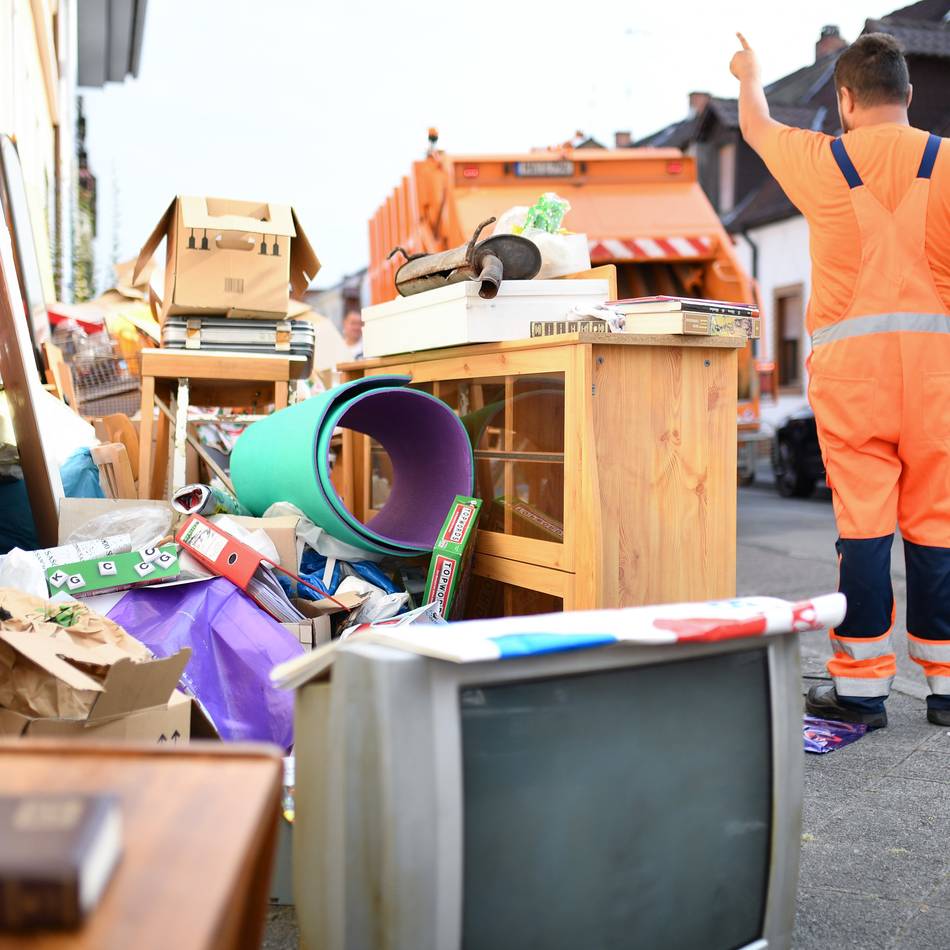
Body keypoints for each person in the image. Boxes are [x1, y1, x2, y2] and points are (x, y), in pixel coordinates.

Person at [731, 31, 950, 729]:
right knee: (938, 525)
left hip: (854, 387)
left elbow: (756, 125)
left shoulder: (822, 161)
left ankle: (861, 687)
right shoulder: (946, 163)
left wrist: (750, 72)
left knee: (864, 530)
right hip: (938, 383)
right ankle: (945, 685)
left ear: (845, 99)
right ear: (910, 96)